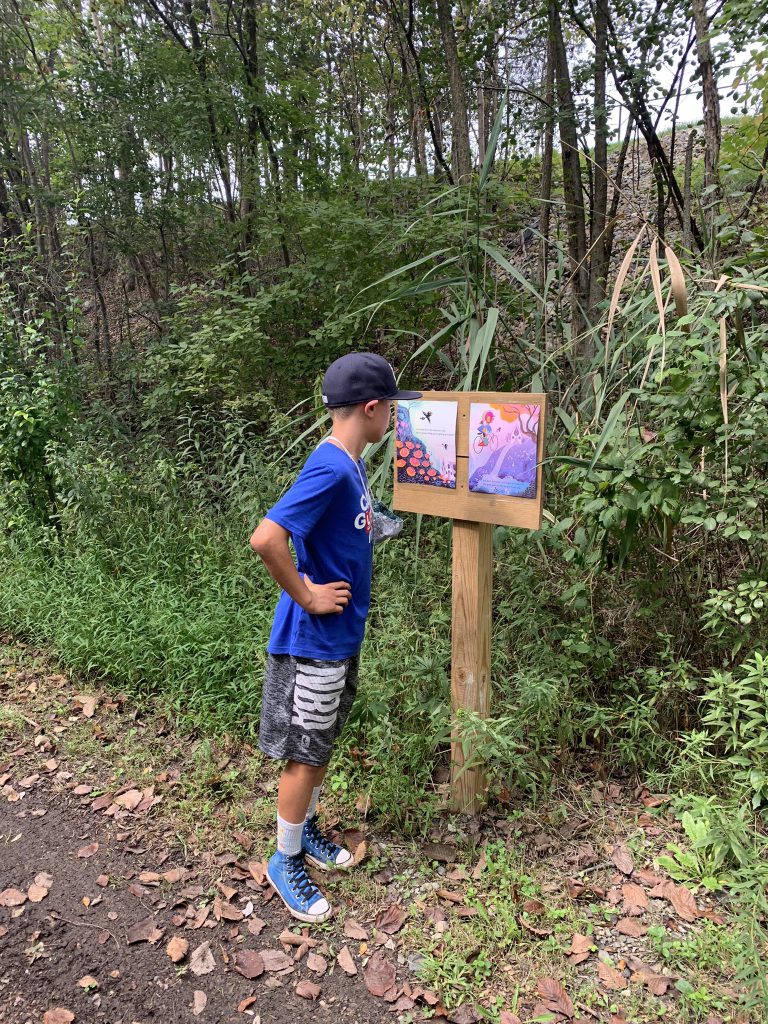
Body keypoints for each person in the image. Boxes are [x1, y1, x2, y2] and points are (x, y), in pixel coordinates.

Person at [249, 352, 421, 923]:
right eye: (391, 409)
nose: (394, 419)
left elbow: (343, 527)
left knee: (320, 745)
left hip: (339, 639)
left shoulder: (350, 466)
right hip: (314, 640)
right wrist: (308, 594)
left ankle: (306, 832)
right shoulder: (329, 467)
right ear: (370, 409)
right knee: (303, 755)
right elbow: (267, 538)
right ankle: (285, 858)